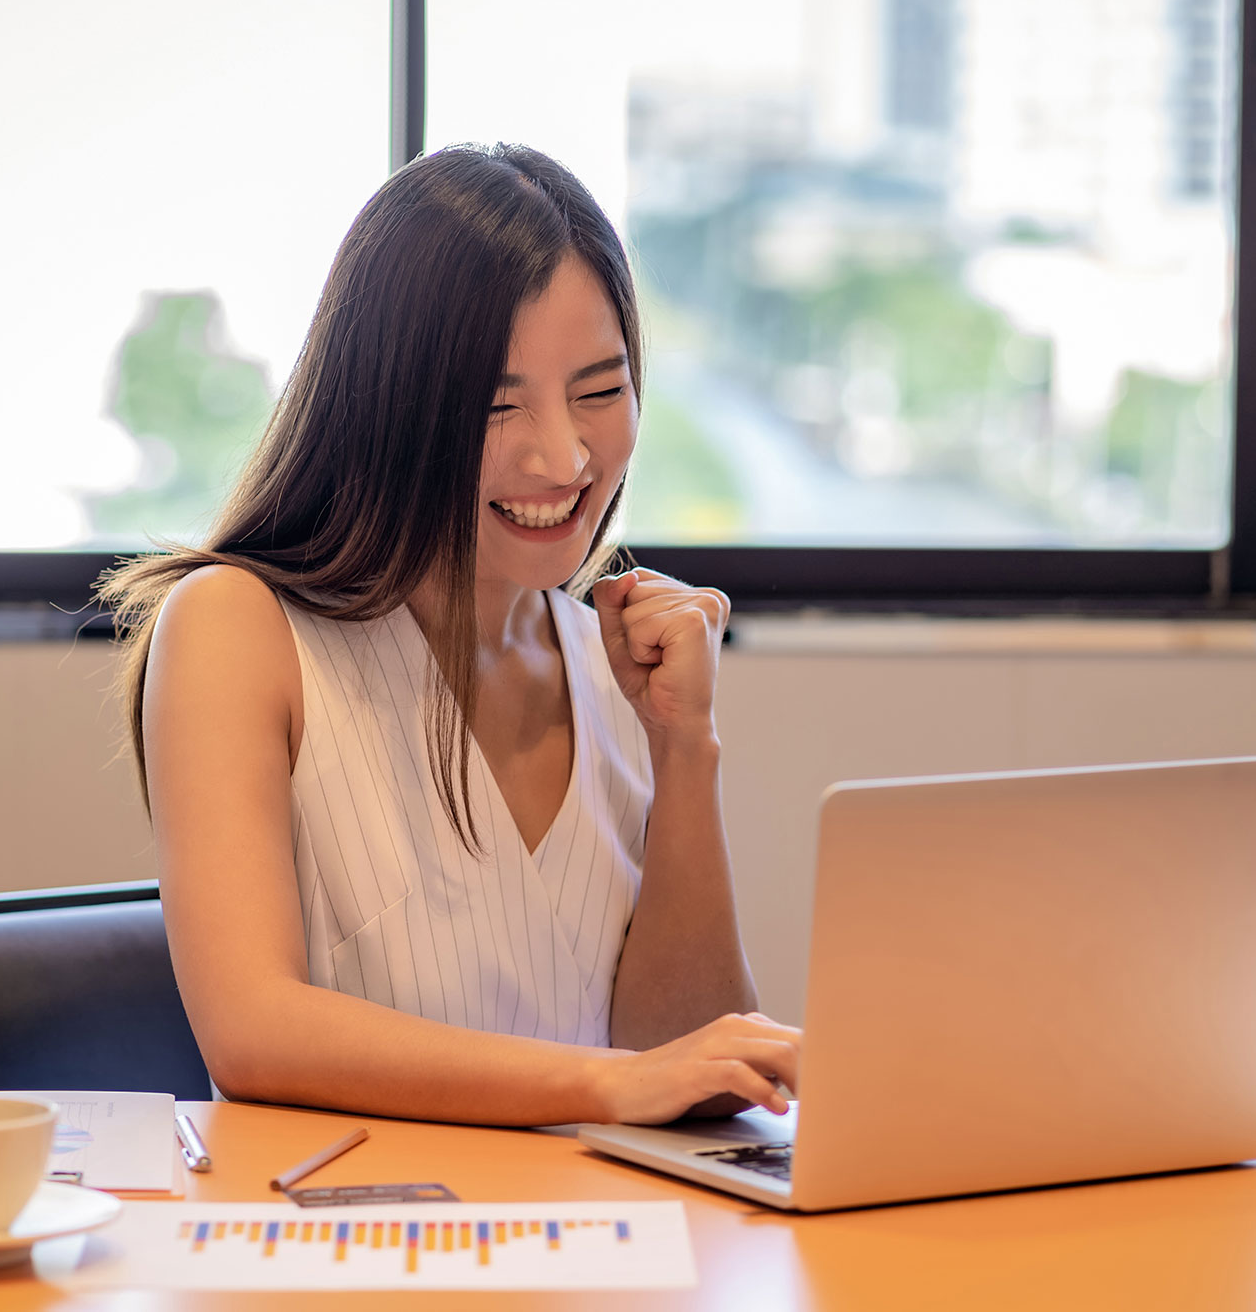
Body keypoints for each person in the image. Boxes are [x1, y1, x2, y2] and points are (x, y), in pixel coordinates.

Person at [100, 144, 800, 1126]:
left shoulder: (615, 664)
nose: (561, 455)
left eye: (599, 391)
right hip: (350, 1253)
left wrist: (685, 748)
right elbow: (252, 1029)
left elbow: (688, 1069)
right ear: (386, 406)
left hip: (602, 1258)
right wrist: (599, 1086)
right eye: (493, 404)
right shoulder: (236, 630)